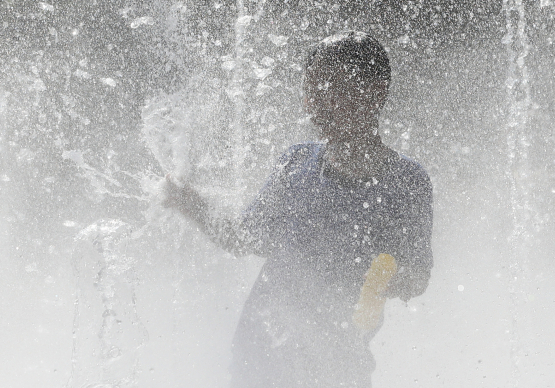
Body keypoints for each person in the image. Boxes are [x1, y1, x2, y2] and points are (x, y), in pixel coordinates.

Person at [162, 31, 433, 388]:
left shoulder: (405, 181)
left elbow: (418, 276)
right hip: (258, 357)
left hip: (337, 366)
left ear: (376, 91)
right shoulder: (296, 163)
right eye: (311, 90)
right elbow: (244, 239)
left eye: (332, 87)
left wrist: (380, 276)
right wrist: (189, 203)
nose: (316, 104)